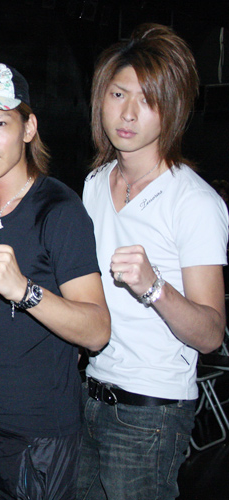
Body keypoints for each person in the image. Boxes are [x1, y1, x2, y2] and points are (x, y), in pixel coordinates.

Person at [0, 62, 110, 499]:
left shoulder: (59, 210)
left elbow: (97, 331)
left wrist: (25, 290)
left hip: (42, 431)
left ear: (28, 128)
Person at [77, 24, 228, 500]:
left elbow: (211, 334)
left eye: (147, 100)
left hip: (151, 413)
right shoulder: (94, 184)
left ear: (173, 109)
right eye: (118, 94)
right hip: (87, 396)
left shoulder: (193, 202)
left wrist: (154, 287)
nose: (127, 113)